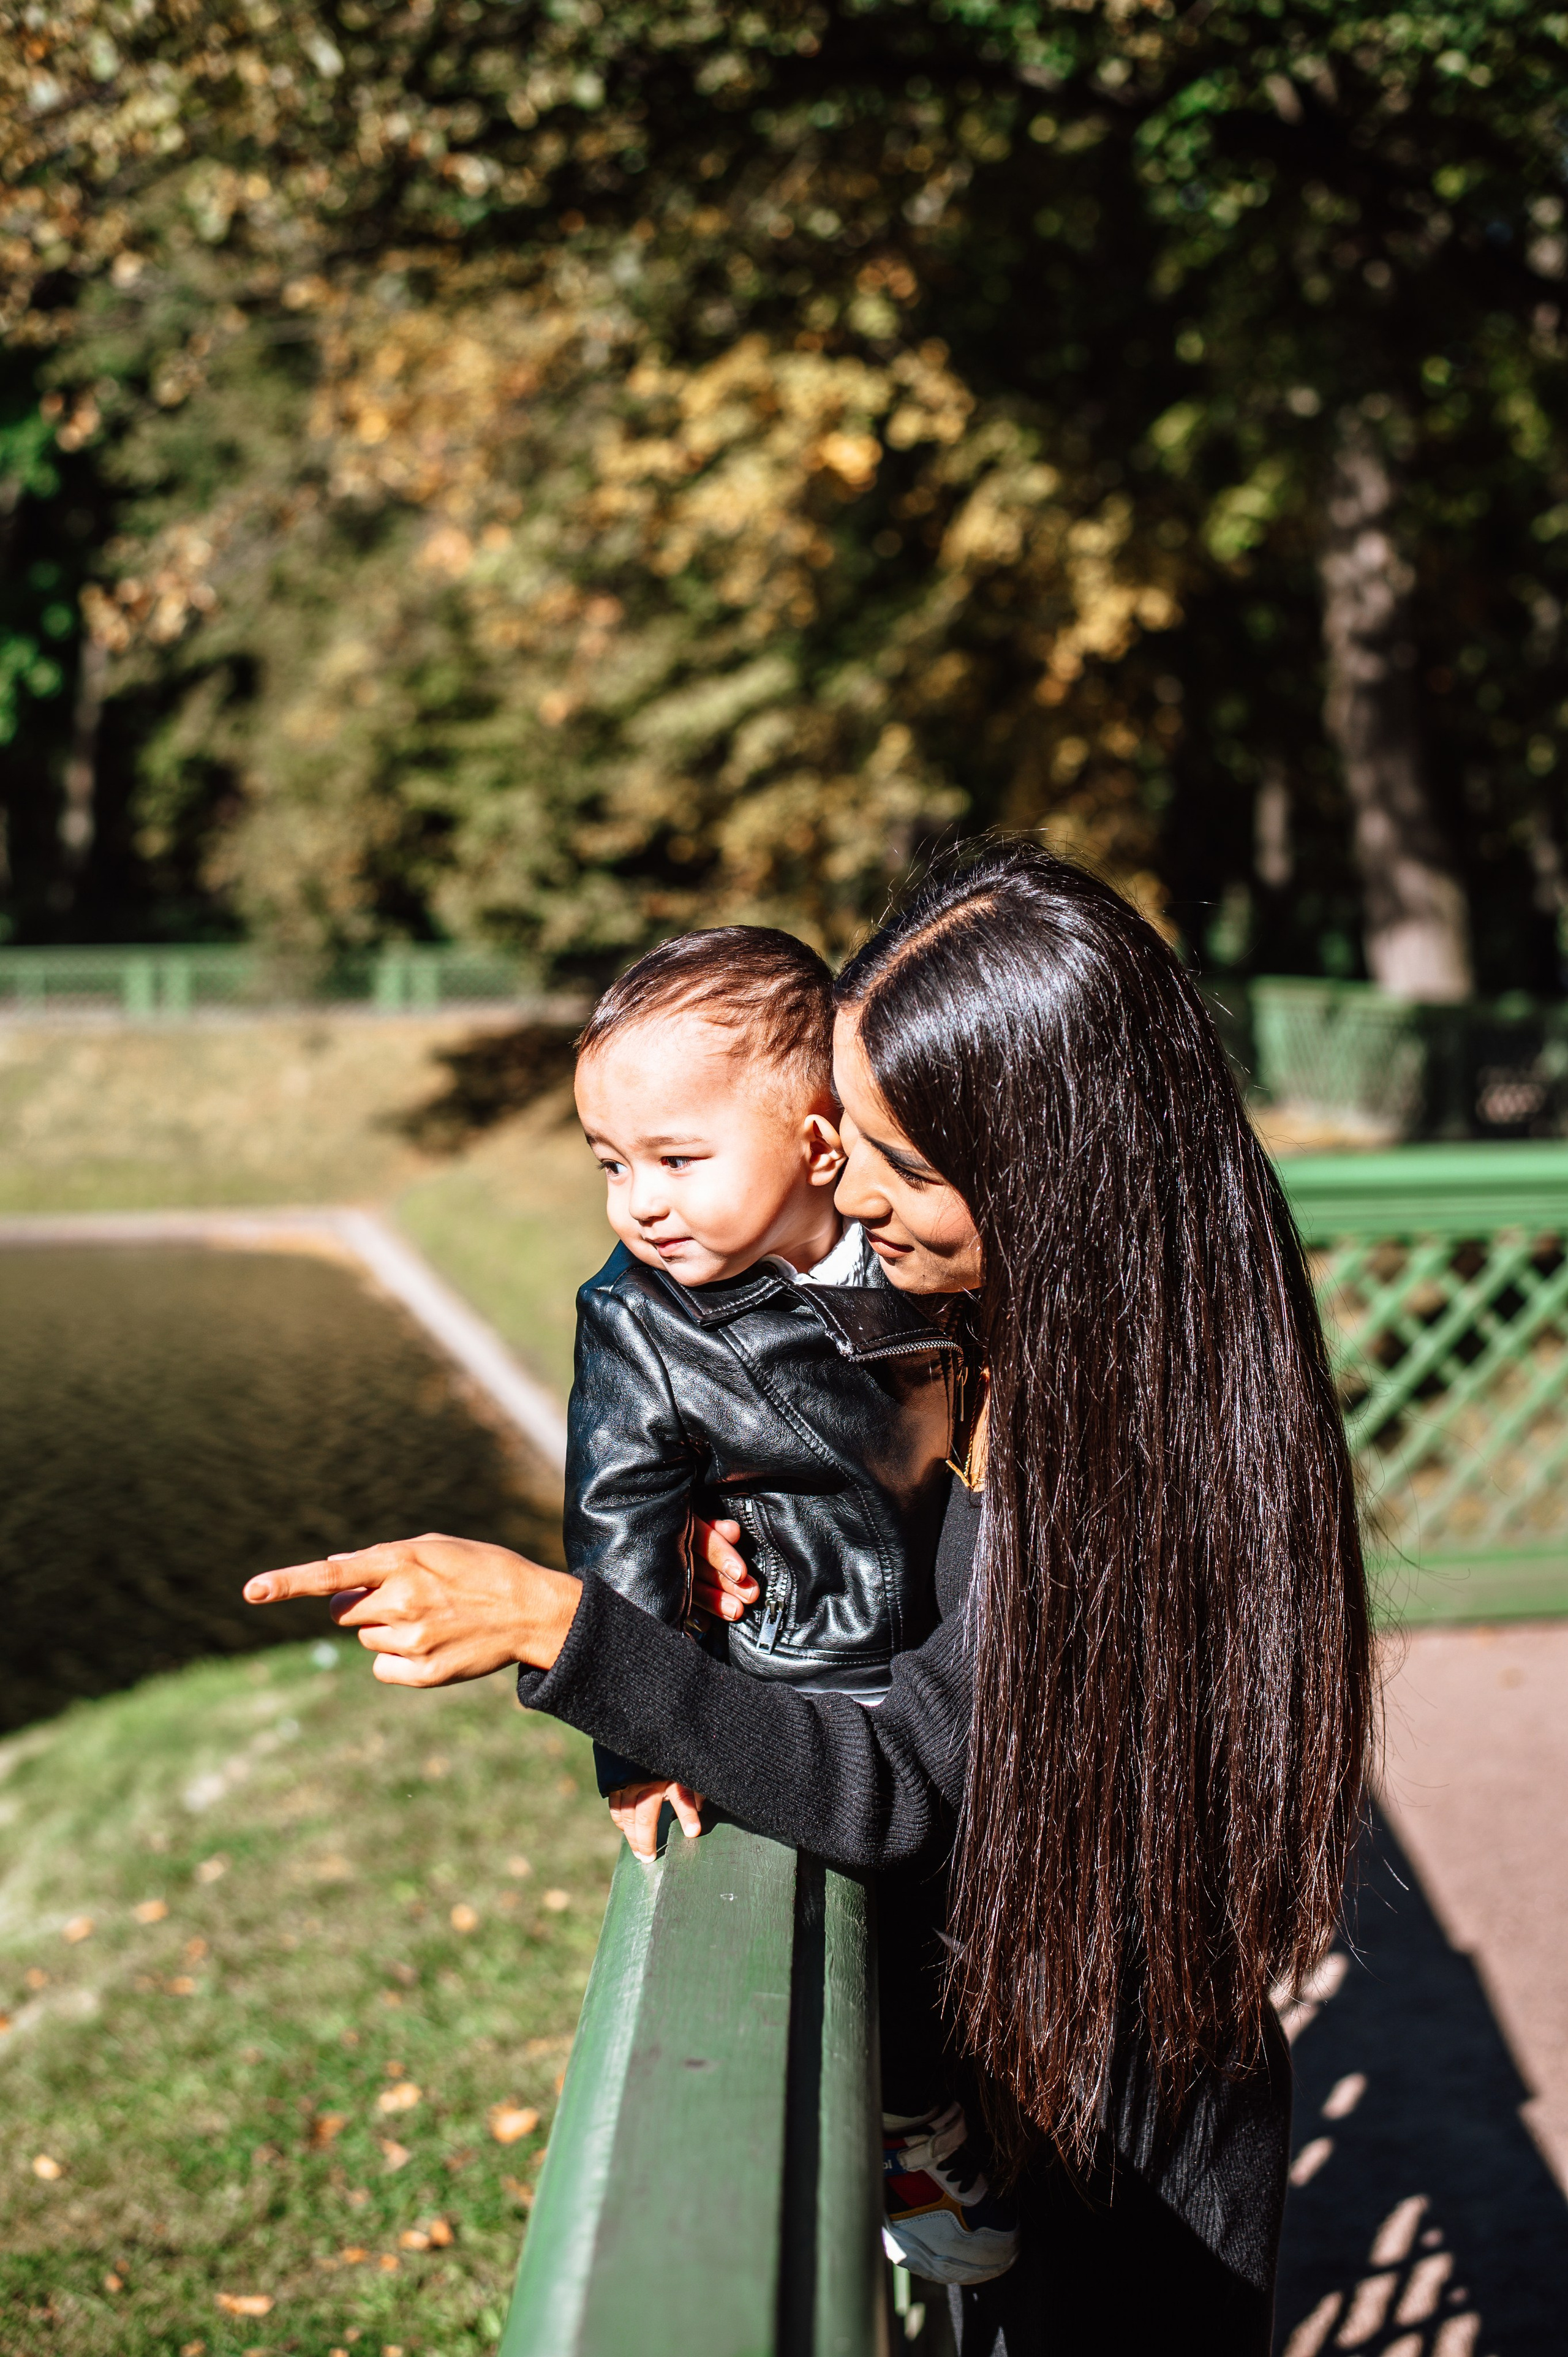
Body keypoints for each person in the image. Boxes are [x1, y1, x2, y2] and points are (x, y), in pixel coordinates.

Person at [247, 842, 1372, 2353]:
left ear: (1043, 1172)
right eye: (846, 1141)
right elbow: (854, 1473)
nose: (853, 1191)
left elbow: (904, 1779)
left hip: (1124, 2154)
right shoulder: (1084, 1326)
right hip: (1067, 2068)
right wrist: (738, 1522)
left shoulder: (1107, 1439)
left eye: (901, 1164)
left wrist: (563, 1629)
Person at [564, 921, 1019, 2282]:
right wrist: (640, 1746)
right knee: (893, 1898)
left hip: (960, 1627)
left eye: (677, 1160)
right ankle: (912, 2131)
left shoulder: (915, 1250)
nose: (638, 1203)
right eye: (609, 1164)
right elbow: (617, 1523)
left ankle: (996, 2104)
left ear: (820, 1148)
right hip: (810, 1658)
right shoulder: (642, 1318)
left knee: (991, 1897)